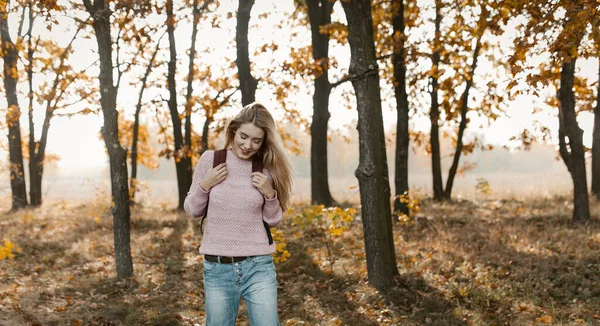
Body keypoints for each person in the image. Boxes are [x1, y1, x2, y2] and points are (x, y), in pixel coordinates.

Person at [184, 102, 293, 326]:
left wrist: (270, 195)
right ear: (233, 131)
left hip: (258, 266)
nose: (247, 145)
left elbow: (273, 220)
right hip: (218, 268)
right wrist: (205, 185)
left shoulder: (265, 168)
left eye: (256, 140)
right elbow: (192, 210)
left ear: (264, 142)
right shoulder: (211, 160)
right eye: (243, 136)